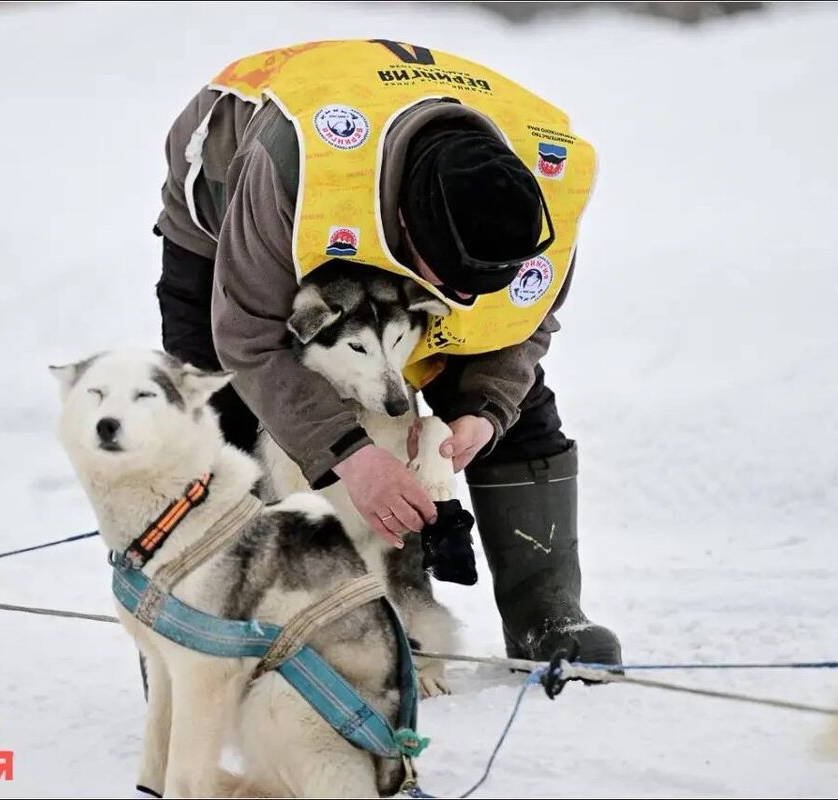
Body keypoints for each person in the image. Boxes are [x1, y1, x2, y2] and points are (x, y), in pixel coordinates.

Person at [153, 39, 620, 664]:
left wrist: (485, 410)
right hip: (237, 203)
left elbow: (524, 323)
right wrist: (349, 455)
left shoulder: (549, 178)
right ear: (402, 224)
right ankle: (213, 631)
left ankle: (548, 615)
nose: (462, 299)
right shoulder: (290, 162)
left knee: (516, 409)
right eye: (450, 283)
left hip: (391, 194)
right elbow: (248, 336)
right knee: (221, 418)